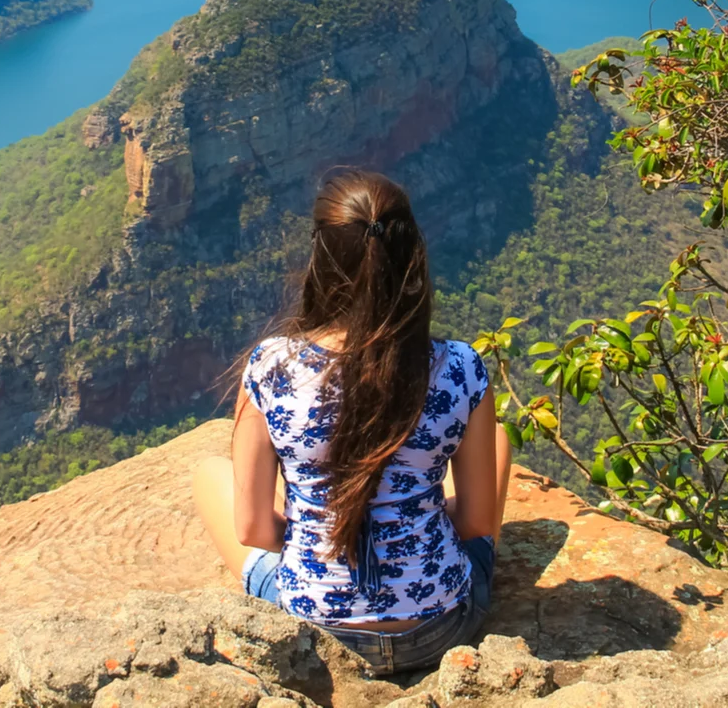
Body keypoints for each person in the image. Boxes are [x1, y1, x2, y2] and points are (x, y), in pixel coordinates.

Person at [193, 170, 511, 675]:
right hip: (439, 629)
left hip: (317, 635)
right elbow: (475, 523)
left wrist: (328, 536)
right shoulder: (459, 368)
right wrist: (408, 531)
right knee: (495, 437)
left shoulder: (271, 367)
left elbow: (253, 528)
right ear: (411, 258)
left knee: (208, 473)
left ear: (321, 259)